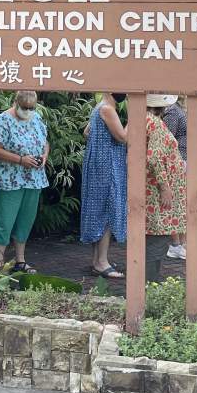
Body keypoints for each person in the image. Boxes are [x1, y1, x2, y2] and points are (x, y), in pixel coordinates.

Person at [0, 90, 49, 273]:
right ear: (16, 103)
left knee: (26, 220)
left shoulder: (36, 118)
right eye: (24, 107)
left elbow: (45, 141)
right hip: (10, 179)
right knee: (5, 220)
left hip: (34, 178)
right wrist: (20, 160)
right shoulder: (2, 120)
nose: (28, 111)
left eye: (31, 107)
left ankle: (20, 260)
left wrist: (44, 155)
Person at [81, 92, 129, 279]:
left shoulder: (99, 107)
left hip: (98, 163)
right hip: (107, 166)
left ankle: (97, 260)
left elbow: (86, 132)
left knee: (98, 210)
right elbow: (123, 137)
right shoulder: (108, 109)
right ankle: (102, 262)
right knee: (107, 211)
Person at [144, 93, 187, 282]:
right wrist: (164, 187)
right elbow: (154, 156)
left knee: (157, 233)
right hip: (156, 190)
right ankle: (150, 281)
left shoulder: (145, 120)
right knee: (158, 233)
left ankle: (150, 279)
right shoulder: (154, 123)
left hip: (153, 187)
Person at [160, 94, 188, 260]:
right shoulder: (172, 111)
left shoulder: (180, 109)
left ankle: (182, 243)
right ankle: (175, 244)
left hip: (184, 160)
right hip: (176, 161)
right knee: (176, 204)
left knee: (183, 204)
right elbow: (167, 139)